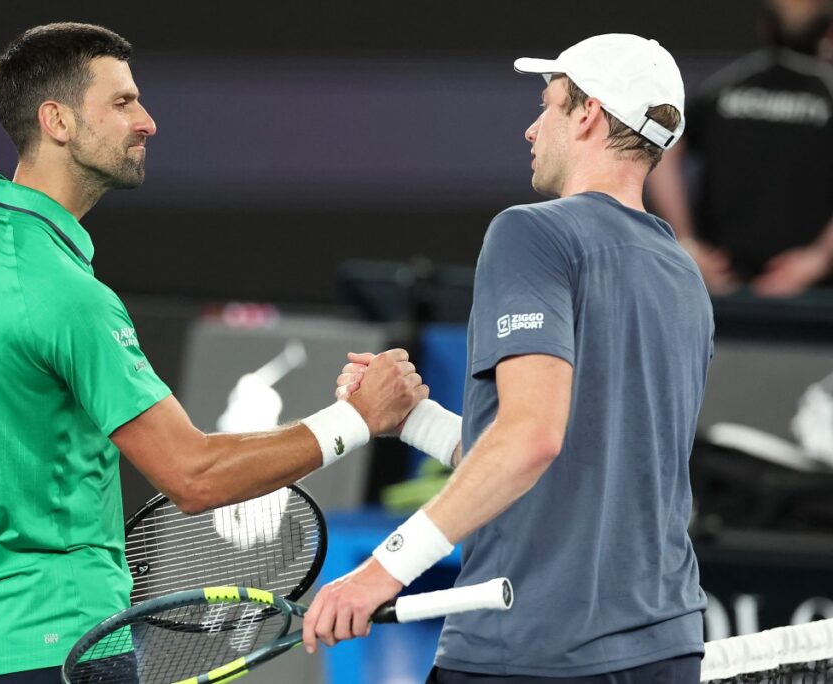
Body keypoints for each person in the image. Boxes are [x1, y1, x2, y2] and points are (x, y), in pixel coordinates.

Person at [0, 23, 427, 684]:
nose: (147, 122)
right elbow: (192, 475)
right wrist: (356, 420)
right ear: (57, 121)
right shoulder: (69, 297)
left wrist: (0, 541)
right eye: (122, 103)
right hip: (65, 644)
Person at [304, 34, 714, 683]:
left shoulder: (532, 232)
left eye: (547, 105)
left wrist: (382, 571)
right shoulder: (682, 273)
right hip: (665, 649)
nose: (530, 129)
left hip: (534, 651)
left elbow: (528, 440)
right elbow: (563, 463)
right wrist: (415, 422)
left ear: (589, 114)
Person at [648, 0, 833, 296]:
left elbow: (662, 147)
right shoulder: (827, 90)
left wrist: (686, 242)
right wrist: (818, 259)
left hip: (721, 283)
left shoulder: (724, 86)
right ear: (828, 33)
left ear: (766, 29)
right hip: (808, 294)